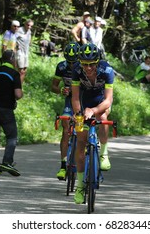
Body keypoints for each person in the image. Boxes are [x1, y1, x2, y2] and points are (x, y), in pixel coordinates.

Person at [71, 43, 114, 204]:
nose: (88, 68)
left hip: (100, 102)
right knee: (80, 143)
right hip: (84, 101)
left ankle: (103, 153)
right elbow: (75, 97)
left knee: (103, 118)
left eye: (91, 64)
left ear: (98, 61)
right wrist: (78, 113)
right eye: (84, 64)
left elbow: (109, 100)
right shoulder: (76, 70)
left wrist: (94, 110)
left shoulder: (107, 70)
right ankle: (80, 185)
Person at [51, 42, 79, 180]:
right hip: (69, 100)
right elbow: (53, 86)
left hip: (82, 99)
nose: (72, 65)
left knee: (82, 127)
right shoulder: (61, 66)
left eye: (74, 62)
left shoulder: (84, 67)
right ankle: (63, 166)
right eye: (69, 61)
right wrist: (61, 90)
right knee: (65, 126)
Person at [16, 19, 34, 84]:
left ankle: (20, 84)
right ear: (25, 24)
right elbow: (13, 38)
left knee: (25, 69)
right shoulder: (19, 30)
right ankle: (16, 85)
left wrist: (30, 43)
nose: (29, 27)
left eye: (31, 26)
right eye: (28, 25)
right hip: (20, 52)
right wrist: (16, 45)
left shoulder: (29, 31)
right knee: (20, 70)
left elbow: (29, 40)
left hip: (26, 53)